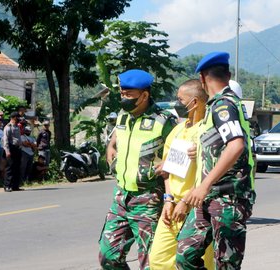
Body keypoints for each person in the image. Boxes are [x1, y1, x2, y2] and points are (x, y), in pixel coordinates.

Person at [176, 52, 256, 269]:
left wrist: (204, 185)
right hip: (208, 196)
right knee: (185, 255)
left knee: (226, 264)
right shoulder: (215, 106)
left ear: (202, 78)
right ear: (228, 75)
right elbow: (222, 145)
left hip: (228, 197)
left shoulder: (223, 105)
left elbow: (236, 144)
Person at [98, 69, 177, 269]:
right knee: (109, 256)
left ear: (144, 95)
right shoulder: (123, 116)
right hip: (121, 197)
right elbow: (117, 137)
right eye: (122, 93)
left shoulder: (164, 120)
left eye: (128, 94)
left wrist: (169, 168)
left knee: (149, 262)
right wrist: (110, 147)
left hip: (148, 199)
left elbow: (180, 152)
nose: (123, 97)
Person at [149, 79, 214, 269]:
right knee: (158, 261)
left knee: (198, 262)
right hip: (172, 207)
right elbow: (167, 170)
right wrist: (168, 199)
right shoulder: (177, 130)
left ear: (194, 102)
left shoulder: (207, 132)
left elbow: (210, 173)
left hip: (197, 208)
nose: (176, 104)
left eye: (180, 99)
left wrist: (186, 202)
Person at [2, 112, 23, 192]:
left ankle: (15, 186)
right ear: (13, 118)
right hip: (11, 149)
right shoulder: (8, 127)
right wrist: (7, 151)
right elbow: (6, 140)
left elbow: (18, 138)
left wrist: (20, 146)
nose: (19, 119)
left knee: (17, 167)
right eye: (18, 117)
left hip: (18, 149)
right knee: (9, 168)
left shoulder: (17, 126)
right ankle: (7, 185)